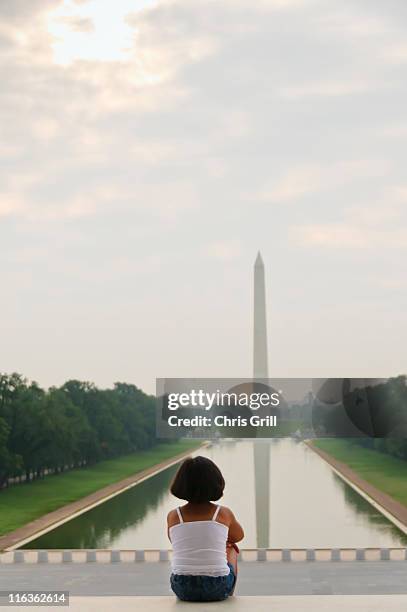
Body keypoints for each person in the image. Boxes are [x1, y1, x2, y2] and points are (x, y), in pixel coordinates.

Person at [167, 455, 244, 602]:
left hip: (182, 587)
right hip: (218, 586)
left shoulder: (173, 516)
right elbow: (239, 536)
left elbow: (176, 542)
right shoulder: (223, 514)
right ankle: (229, 594)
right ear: (216, 482)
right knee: (232, 548)